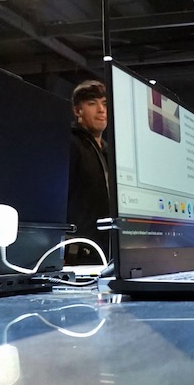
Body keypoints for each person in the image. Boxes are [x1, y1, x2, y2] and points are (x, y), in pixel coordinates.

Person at [66, 78, 111, 265]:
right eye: (92, 103)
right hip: (80, 254)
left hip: (107, 252)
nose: (101, 110)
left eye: (104, 104)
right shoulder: (69, 143)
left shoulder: (108, 152)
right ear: (78, 110)